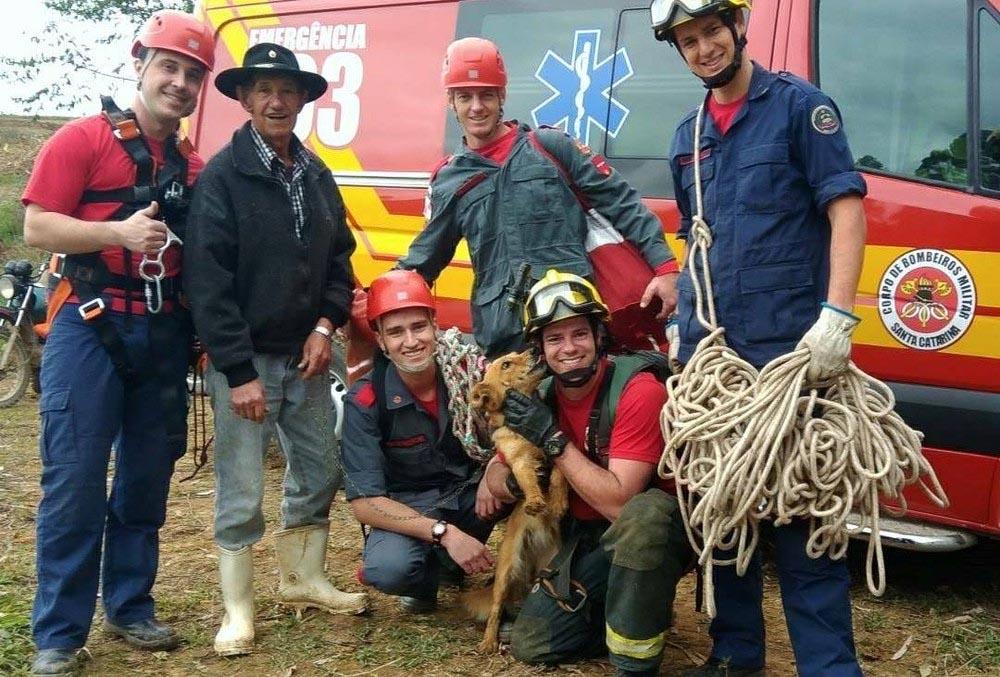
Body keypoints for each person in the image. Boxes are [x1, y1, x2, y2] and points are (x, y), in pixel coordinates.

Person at [652, 1, 868, 675]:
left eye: (712, 31)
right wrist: (681, 328)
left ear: (738, 28)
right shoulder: (687, 136)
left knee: (806, 529)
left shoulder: (803, 109)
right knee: (725, 521)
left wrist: (838, 316)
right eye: (689, 41)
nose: (705, 48)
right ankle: (736, 656)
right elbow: (697, 240)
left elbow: (846, 209)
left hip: (791, 364)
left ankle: (828, 667)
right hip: (715, 363)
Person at [20, 10, 214, 675]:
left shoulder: (194, 166)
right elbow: (38, 228)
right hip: (91, 321)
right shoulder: (82, 140)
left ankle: (130, 603)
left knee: (144, 480)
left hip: (164, 330)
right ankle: (58, 632)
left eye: (193, 74)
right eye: (170, 67)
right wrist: (119, 235)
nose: (180, 83)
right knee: (74, 479)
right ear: (140, 63)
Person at [183, 42, 367, 657]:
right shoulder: (221, 178)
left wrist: (325, 325)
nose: (276, 100)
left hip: (307, 356)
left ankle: (302, 578)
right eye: (263, 89)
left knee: (320, 469)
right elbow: (206, 282)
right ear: (243, 98)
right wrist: (238, 370)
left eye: (287, 90)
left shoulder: (315, 175)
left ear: (303, 100)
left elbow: (340, 261)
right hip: (248, 365)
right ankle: (238, 610)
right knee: (241, 487)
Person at [397, 37, 680, 358]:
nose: (476, 107)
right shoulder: (449, 180)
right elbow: (423, 260)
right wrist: (378, 300)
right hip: (507, 338)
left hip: (574, 326)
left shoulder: (550, 147)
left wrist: (665, 266)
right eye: (465, 97)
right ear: (451, 101)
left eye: (487, 95)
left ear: (502, 95)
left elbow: (623, 204)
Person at [483, 270, 693, 677]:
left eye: (579, 333)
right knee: (532, 643)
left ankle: (634, 663)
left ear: (600, 336)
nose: (569, 349)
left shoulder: (638, 390)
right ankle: (628, 610)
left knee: (645, 515)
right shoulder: (539, 394)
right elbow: (492, 478)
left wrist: (552, 439)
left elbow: (621, 506)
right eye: (554, 338)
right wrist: (512, 480)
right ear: (539, 350)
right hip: (585, 535)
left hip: (648, 533)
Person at [341, 269, 501, 613]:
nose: (411, 341)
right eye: (396, 332)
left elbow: (514, 429)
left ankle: (525, 575)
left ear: (434, 324)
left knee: (522, 479)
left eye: (419, 327)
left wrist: (496, 467)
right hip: (412, 505)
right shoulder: (366, 400)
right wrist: (446, 533)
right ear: (381, 341)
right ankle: (432, 572)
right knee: (388, 569)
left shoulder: (469, 370)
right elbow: (365, 504)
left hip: (472, 492)